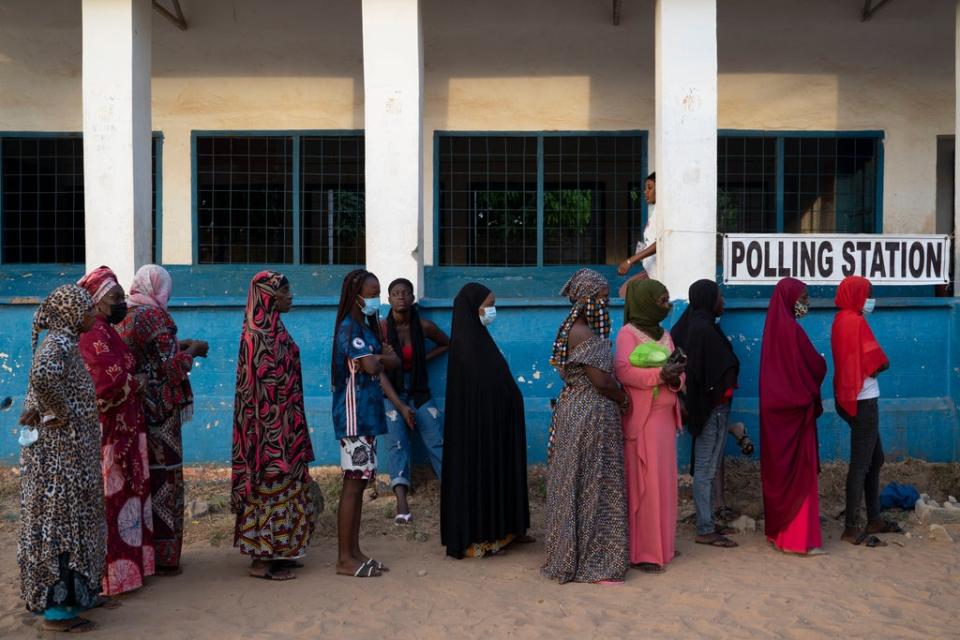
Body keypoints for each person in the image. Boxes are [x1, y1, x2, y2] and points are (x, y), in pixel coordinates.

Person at [18, 285, 104, 632]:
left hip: (67, 454)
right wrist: (59, 412)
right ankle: (57, 613)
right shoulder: (59, 343)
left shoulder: (63, 342)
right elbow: (42, 376)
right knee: (62, 527)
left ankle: (73, 599)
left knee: (71, 523)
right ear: (72, 314)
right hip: (59, 461)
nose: (93, 316)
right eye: (88, 310)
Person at [118, 265, 207, 576]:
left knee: (145, 478)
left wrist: (177, 348)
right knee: (165, 479)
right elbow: (170, 368)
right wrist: (193, 350)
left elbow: (147, 357)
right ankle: (166, 556)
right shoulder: (156, 317)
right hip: (161, 411)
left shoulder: (127, 315)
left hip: (137, 408)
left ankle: (146, 553)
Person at [542, 269, 630, 584]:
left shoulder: (574, 329)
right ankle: (594, 562)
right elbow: (601, 381)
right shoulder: (582, 332)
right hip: (589, 416)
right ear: (588, 300)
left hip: (577, 411)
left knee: (578, 482)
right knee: (594, 484)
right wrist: (623, 399)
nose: (606, 305)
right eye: (603, 299)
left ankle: (574, 556)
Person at [232, 271, 316, 581]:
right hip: (267, 432)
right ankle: (261, 561)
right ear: (269, 296)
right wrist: (271, 433)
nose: (291, 296)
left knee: (287, 487)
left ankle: (280, 551)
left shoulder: (275, 329)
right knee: (269, 486)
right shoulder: (257, 335)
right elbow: (255, 392)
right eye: (285, 291)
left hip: (285, 426)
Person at [76, 266, 155, 596]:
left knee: (129, 501)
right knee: (112, 502)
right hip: (108, 434)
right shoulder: (91, 336)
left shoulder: (108, 331)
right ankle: (111, 579)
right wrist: (133, 384)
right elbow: (102, 387)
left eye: (122, 295)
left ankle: (132, 570)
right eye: (115, 297)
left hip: (128, 428)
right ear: (96, 301)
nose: (122, 302)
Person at [441, 283, 530, 558]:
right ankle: (477, 540)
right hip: (478, 435)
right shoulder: (468, 348)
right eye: (487, 305)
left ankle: (505, 532)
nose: (491, 311)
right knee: (479, 480)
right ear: (472, 308)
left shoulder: (480, 341)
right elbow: (481, 393)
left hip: (492, 431)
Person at [331, 269, 400, 577]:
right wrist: (380, 357)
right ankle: (345, 558)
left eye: (377, 293)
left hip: (368, 415)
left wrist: (380, 358)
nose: (376, 299)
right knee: (352, 485)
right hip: (354, 416)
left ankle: (355, 552)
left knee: (360, 485)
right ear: (357, 295)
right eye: (372, 294)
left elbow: (392, 361)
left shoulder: (366, 328)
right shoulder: (349, 329)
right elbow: (374, 363)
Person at [613, 279, 685, 573]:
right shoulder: (627, 334)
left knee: (665, 484)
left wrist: (676, 376)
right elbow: (623, 371)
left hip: (666, 421)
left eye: (667, 300)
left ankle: (663, 546)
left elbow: (681, 375)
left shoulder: (665, 334)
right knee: (646, 485)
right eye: (662, 301)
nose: (667, 306)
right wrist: (660, 375)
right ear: (645, 301)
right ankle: (644, 551)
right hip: (644, 421)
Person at [759, 278, 827, 555]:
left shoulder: (773, 331)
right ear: (790, 299)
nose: (806, 304)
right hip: (796, 416)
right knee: (800, 476)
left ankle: (780, 536)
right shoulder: (793, 332)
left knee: (779, 474)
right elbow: (815, 365)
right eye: (804, 298)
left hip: (774, 417)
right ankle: (798, 540)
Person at [831, 276, 901, 547]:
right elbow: (876, 364)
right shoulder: (856, 322)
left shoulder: (841, 320)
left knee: (876, 458)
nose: (871, 299)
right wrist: (882, 363)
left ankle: (874, 517)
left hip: (848, 397)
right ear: (858, 295)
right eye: (869, 294)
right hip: (864, 400)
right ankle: (852, 526)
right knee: (861, 464)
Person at [671, 279, 740, 549]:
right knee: (705, 469)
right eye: (719, 297)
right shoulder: (703, 330)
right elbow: (709, 370)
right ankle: (705, 527)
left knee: (708, 467)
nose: (722, 302)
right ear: (708, 299)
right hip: (710, 408)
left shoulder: (700, 326)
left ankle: (708, 520)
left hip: (711, 407)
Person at [378, 278, 449, 524]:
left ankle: (452, 492)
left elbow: (447, 343)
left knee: (437, 439)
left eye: (405, 293)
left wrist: (422, 359)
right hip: (392, 391)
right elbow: (377, 369)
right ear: (388, 299)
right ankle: (401, 501)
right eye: (395, 293)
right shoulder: (381, 329)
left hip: (419, 390)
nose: (401, 297)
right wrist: (399, 405)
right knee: (397, 443)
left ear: (412, 298)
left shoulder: (424, 326)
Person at [617, 172, 657, 297]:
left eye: (650, 188)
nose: (646, 192)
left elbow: (660, 244)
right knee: (625, 292)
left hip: (657, 273)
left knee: (627, 293)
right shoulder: (655, 212)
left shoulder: (663, 213)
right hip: (649, 270)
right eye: (645, 188)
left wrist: (630, 261)